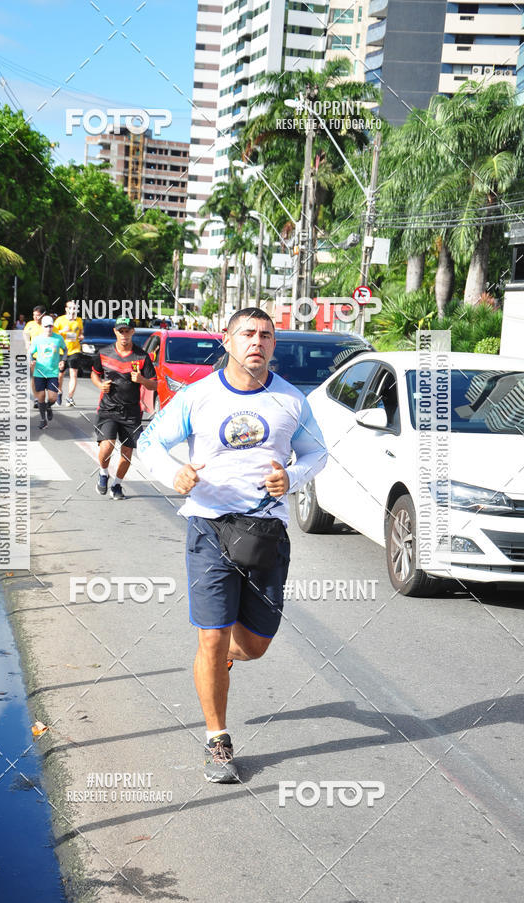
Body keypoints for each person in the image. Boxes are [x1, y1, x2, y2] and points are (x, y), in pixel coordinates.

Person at [138, 307, 327, 783]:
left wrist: (294, 474)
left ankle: (217, 663)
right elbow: (148, 444)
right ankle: (217, 739)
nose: (256, 342)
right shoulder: (197, 397)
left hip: (265, 532)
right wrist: (172, 473)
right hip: (208, 528)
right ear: (227, 340)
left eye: (266, 335)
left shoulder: (290, 401)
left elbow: (316, 453)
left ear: (273, 345)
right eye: (247, 333)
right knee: (211, 634)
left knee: (255, 645)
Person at [90, 316, 157, 500]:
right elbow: (94, 374)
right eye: (121, 331)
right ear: (115, 332)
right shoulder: (104, 353)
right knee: (107, 445)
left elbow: (154, 385)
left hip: (131, 412)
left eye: (127, 331)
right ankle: (103, 473)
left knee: (127, 453)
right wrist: (100, 385)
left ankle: (117, 485)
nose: (124, 335)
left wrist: (142, 380)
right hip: (108, 409)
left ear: (133, 332)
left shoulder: (142, 357)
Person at [29, 316, 68, 430]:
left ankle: (48, 407)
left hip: (53, 372)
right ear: (42, 327)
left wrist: (63, 360)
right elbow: (30, 352)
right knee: (40, 396)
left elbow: (65, 349)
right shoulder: (37, 339)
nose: (49, 328)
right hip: (39, 372)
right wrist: (31, 360)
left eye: (51, 326)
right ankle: (43, 420)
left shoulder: (58, 338)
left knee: (53, 398)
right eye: (46, 326)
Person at [53, 301, 84, 406]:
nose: (73, 310)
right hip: (62, 351)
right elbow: (52, 334)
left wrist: (81, 337)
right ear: (66, 309)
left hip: (74, 350)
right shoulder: (59, 320)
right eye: (70, 308)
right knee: (60, 375)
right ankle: (59, 392)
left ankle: (70, 397)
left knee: (73, 374)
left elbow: (80, 333)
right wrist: (62, 331)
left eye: (74, 308)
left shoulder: (79, 320)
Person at [24, 306, 46, 409]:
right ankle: (37, 399)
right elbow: (25, 334)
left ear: (43, 315)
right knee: (35, 376)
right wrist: (27, 341)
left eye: (38, 315)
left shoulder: (47, 325)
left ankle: (41, 395)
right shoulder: (30, 324)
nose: (35, 317)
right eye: (34, 315)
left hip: (46, 356)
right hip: (33, 354)